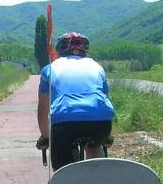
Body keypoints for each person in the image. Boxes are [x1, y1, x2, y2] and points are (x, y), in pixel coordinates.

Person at [36, 31, 115, 169]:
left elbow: (43, 110)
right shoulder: (97, 67)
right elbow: (104, 100)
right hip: (100, 122)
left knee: (63, 170)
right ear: (86, 51)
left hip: (64, 122)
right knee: (95, 146)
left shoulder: (49, 69)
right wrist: (106, 136)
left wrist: (45, 136)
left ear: (59, 51)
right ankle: (99, 180)